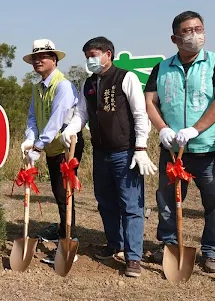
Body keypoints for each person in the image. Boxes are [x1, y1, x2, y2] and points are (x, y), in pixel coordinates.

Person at [144, 11, 215, 273]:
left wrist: (196, 129)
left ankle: (212, 251)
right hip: (173, 151)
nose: (194, 35)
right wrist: (162, 128)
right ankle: (170, 244)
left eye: (199, 29)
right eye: (187, 31)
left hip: (209, 149)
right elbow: (150, 101)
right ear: (174, 38)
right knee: (167, 201)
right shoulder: (162, 68)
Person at [62, 36, 156, 277]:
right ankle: (115, 243)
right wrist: (72, 128)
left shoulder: (126, 78)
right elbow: (81, 113)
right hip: (101, 153)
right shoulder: (88, 83)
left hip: (125, 152)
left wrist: (141, 148)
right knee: (105, 202)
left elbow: (139, 113)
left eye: (94, 55)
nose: (90, 60)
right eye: (87, 57)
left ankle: (133, 257)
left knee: (131, 205)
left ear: (108, 54)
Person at [21, 39, 84, 265]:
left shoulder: (63, 85)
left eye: (43, 57)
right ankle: (62, 231)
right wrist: (31, 138)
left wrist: (39, 145)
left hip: (67, 146)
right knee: (59, 193)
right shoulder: (37, 88)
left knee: (64, 193)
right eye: (35, 58)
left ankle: (70, 240)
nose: (38, 61)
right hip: (49, 146)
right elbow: (32, 116)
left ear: (54, 60)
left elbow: (57, 118)